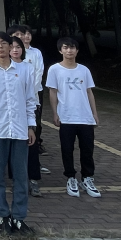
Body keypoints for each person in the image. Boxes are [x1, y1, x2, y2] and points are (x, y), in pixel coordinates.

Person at [0, 31, 37, 237]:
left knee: (21, 176)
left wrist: (31, 126)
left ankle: (19, 217)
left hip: (20, 129)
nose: (0, 47)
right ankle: (3, 216)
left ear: (11, 47)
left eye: (4, 43)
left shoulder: (24, 69)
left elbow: (30, 99)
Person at [46, 37, 101, 198]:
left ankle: (87, 178)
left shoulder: (84, 70)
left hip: (85, 117)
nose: (69, 50)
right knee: (67, 149)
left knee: (87, 149)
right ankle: (70, 178)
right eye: (66, 47)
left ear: (77, 51)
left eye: (72, 48)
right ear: (60, 50)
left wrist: (94, 113)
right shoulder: (54, 69)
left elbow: (89, 92)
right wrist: (55, 113)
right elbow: (52, 92)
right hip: (66, 117)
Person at [8, 36, 43, 197]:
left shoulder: (28, 67)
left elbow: (32, 89)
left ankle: (33, 179)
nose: (15, 50)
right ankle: (17, 181)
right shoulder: (4, 67)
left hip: (28, 109)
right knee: (13, 148)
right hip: (10, 112)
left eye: (18, 47)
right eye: (12, 47)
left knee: (31, 144)